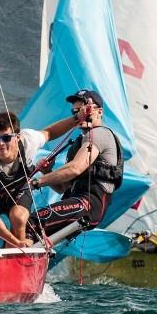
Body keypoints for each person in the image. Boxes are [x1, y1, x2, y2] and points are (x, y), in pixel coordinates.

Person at [0, 111, 76, 248]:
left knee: (18, 218)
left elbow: (49, 133)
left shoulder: (28, 140)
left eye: (6, 138)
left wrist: (77, 118)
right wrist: (16, 242)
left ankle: (13, 259)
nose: (0, 144)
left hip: (19, 191)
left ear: (17, 137)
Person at [28, 89, 123, 238]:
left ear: (99, 111)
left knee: (30, 223)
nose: (80, 114)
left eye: (85, 110)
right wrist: (48, 172)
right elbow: (63, 188)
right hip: (78, 203)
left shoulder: (99, 133)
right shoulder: (78, 144)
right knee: (32, 234)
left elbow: (75, 168)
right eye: (75, 112)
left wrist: (36, 182)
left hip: (89, 204)